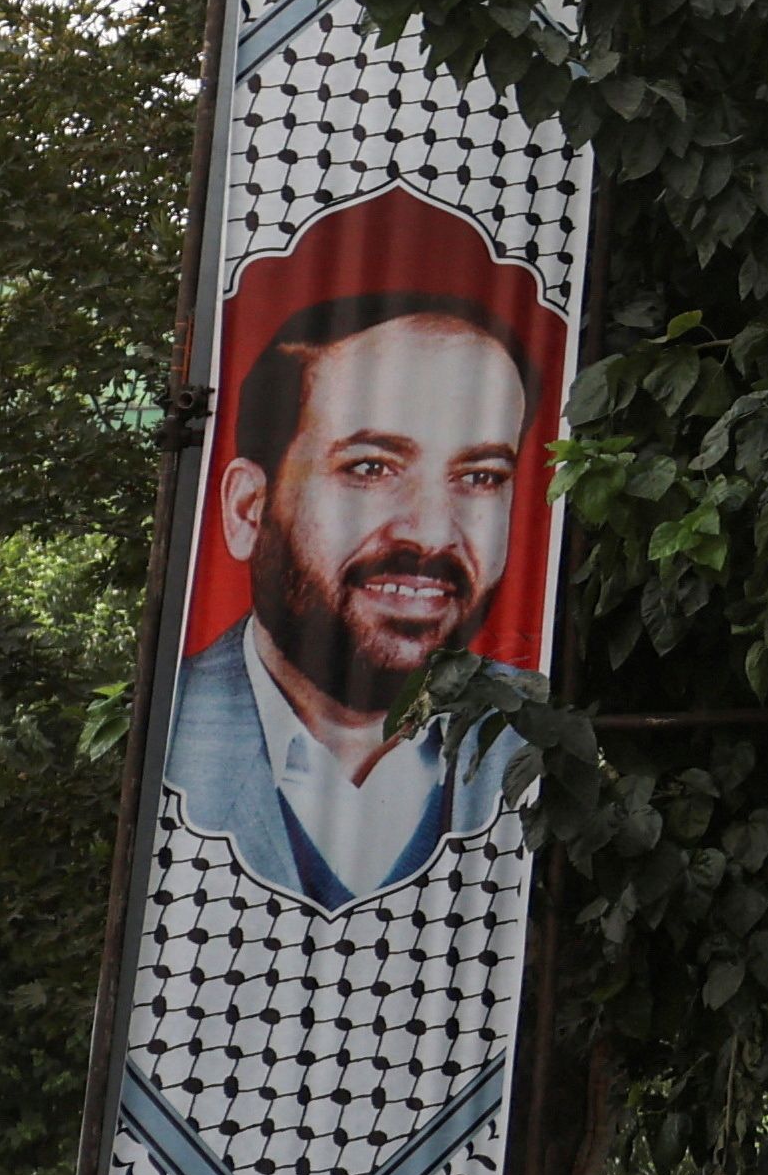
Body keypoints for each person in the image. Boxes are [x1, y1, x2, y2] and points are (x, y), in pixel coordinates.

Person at [166, 291, 541, 909]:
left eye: (480, 478)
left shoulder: (542, 739)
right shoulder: (166, 738)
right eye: (371, 469)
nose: (429, 532)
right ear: (247, 509)